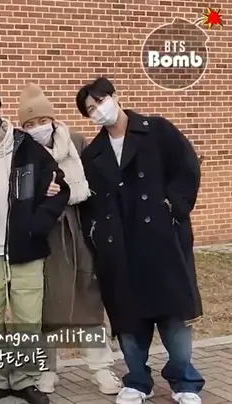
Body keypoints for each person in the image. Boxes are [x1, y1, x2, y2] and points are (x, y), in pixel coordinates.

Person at [75, 76, 204, 404]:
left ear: (115, 96)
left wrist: (172, 207)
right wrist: (97, 234)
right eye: (90, 110)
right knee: (128, 317)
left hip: (161, 240)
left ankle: (185, 382)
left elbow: (187, 168)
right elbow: (89, 203)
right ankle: (136, 380)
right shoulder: (94, 153)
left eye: (100, 102)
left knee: (173, 315)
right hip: (119, 246)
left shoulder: (157, 130)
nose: (98, 111)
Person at [0, 87, 70, 404]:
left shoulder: (27, 147)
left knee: (27, 318)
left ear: (0, 109)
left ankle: (26, 380)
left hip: (26, 249)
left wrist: (38, 225)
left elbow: (60, 187)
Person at [17, 83, 121, 396]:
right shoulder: (20, 151)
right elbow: (15, 194)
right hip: (44, 237)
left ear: (52, 118)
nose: (38, 128)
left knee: (88, 300)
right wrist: (38, 193)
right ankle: (47, 369)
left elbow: (98, 186)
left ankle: (101, 367)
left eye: (42, 120)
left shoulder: (76, 142)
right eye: (29, 124)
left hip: (78, 231)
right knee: (46, 306)